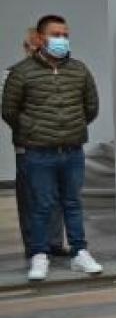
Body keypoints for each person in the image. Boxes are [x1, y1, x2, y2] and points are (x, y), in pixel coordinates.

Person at [1, 14, 103, 281]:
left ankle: (80, 252)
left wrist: (72, 127)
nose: (62, 40)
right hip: (38, 152)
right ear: (40, 38)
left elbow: (91, 107)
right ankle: (39, 255)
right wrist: (33, 130)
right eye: (56, 34)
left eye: (65, 35)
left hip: (71, 150)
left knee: (72, 203)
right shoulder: (21, 72)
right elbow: (9, 111)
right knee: (41, 205)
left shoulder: (79, 70)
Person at [4, 28, 67, 259]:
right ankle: (34, 245)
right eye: (33, 45)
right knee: (30, 197)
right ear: (25, 47)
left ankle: (54, 243)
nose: (37, 50)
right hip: (28, 147)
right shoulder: (11, 73)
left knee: (56, 195)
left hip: (59, 146)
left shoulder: (61, 72)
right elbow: (9, 111)